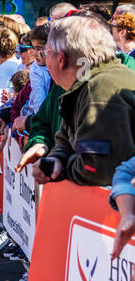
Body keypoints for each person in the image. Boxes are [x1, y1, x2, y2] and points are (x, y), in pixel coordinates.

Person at [25, 13, 135, 188]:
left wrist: (62, 170)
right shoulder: (86, 84)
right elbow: (66, 139)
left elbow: (98, 168)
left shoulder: (99, 90)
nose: (44, 59)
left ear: (60, 59)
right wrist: (57, 158)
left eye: (46, 52)